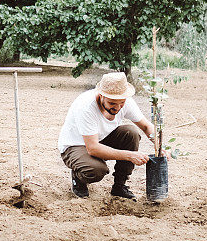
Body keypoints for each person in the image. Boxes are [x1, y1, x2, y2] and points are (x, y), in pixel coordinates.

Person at [58, 71, 165, 199]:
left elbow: (147, 126)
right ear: (101, 95)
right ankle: (78, 178)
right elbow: (93, 148)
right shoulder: (86, 106)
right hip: (76, 145)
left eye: (121, 103)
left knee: (131, 133)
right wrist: (130, 155)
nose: (118, 107)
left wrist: (160, 146)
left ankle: (119, 186)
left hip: (101, 138)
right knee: (96, 170)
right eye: (112, 103)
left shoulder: (124, 101)